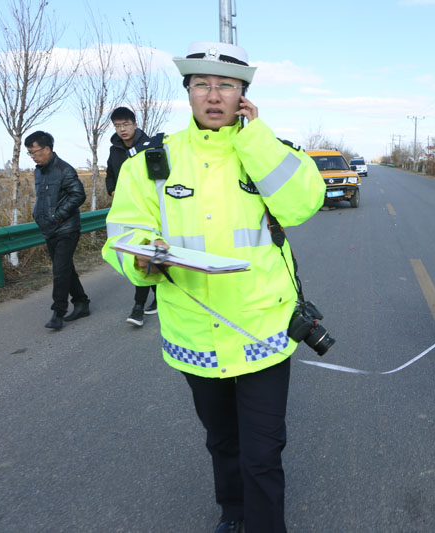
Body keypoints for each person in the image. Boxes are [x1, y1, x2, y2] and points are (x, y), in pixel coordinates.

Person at [102, 41, 325, 532]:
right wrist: (141, 259)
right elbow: (120, 234)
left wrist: (256, 138)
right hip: (194, 335)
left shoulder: (268, 151)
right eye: (201, 83)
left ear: (243, 95)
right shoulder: (149, 162)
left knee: (263, 450)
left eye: (226, 85)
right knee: (222, 442)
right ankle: (234, 513)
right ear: (187, 93)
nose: (213, 94)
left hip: (263, 332)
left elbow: (304, 204)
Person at [26, 131, 90, 330]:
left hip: (66, 228)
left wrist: (58, 215)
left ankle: (58, 312)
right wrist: (39, 215)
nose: (33, 156)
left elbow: (78, 195)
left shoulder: (64, 170)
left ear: (46, 149)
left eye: (34, 152)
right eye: (29, 153)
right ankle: (81, 303)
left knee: (59, 270)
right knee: (65, 268)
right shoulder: (39, 171)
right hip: (49, 229)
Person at [104, 106, 157, 326]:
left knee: (141, 252)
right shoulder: (115, 150)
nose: (122, 129)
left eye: (126, 124)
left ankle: (137, 308)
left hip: (148, 210)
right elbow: (110, 174)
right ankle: (161, 294)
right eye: (117, 126)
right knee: (139, 255)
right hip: (126, 211)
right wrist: (113, 190)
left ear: (135, 124)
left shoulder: (150, 146)